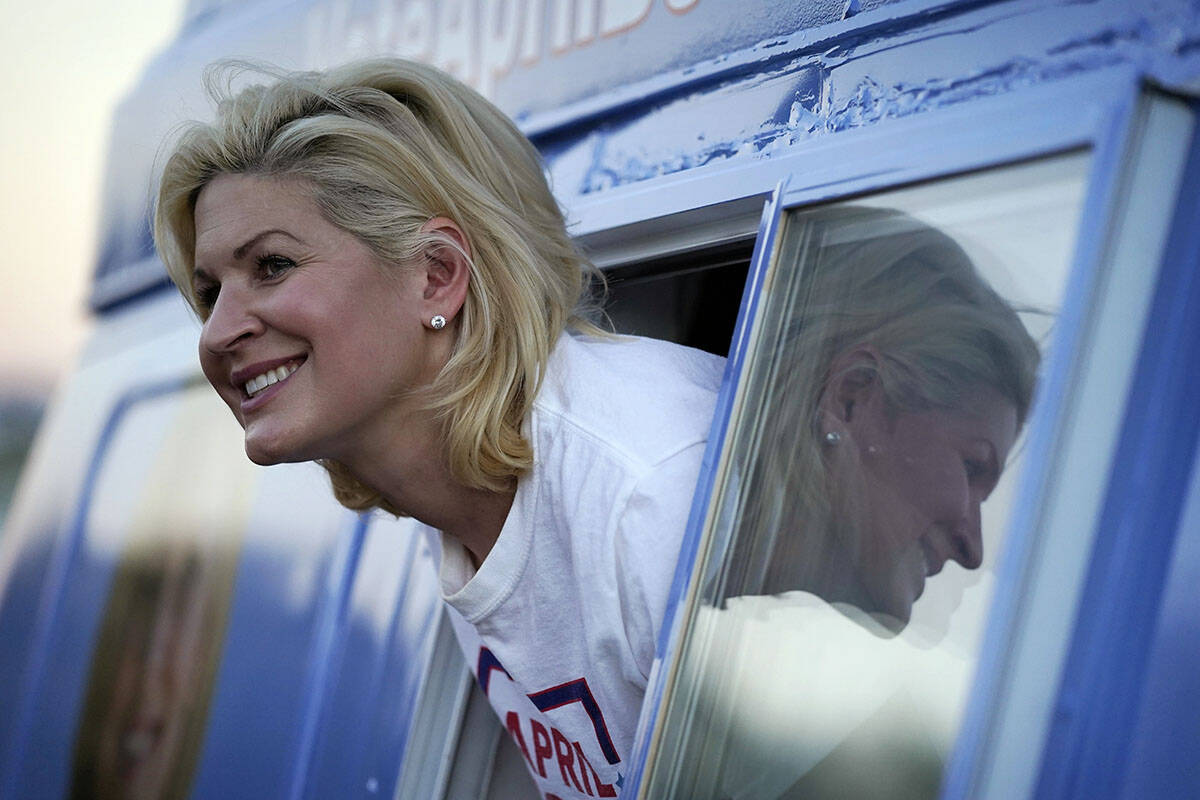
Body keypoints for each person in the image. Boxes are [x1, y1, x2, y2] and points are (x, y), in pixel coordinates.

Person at [153, 59, 723, 797]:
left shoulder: (653, 491)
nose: (218, 331)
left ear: (436, 275)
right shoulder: (456, 512)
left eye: (272, 265)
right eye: (208, 291)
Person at [729, 205, 1040, 632]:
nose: (974, 550)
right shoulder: (651, 562)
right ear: (851, 398)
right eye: (971, 467)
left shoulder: (737, 636)